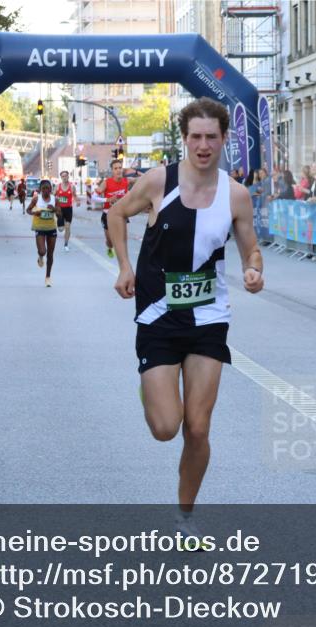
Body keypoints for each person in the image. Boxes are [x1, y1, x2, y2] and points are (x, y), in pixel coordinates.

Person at [106, 97, 264, 541]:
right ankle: (153, 393)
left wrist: (254, 269)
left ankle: (185, 516)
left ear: (224, 139)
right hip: (157, 316)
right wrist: (124, 266)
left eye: (211, 137)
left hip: (209, 318)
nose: (203, 145)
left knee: (198, 427)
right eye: (195, 136)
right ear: (184, 138)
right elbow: (116, 213)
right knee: (165, 428)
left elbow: (250, 246)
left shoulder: (235, 194)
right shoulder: (159, 181)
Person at [26, 179, 59, 287]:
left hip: (51, 228)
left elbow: (60, 213)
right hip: (39, 227)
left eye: (48, 188)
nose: (46, 191)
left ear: (51, 189)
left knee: (50, 253)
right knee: (42, 251)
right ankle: (40, 257)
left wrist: (54, 209)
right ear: (40, 190)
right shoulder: (36, 199)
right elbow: (28, 210)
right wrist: (36, 212)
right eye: (44, 188)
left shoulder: (54, 199)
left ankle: (48, 277)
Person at [97, 159, 130, 257]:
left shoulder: (126, 181)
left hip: (121, 213)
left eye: (120, 168)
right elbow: (94, 197)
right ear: (112, 171)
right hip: (107, 214)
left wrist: (136, 172)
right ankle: (110, 246)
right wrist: (107, 200)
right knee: (110, 241)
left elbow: (144, 179)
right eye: (115, 168)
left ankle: (123, 257)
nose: (118, 170)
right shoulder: (106, 183)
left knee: (123, 238)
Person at [54, 170, 74, 252]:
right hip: (60, 209)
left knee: (68, 227)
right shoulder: (57, 187)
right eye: (63, 176)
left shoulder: (72, 187)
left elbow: (75, 196)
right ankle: (60, 224)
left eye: (66, 176)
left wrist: (78, 201)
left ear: (68, 176)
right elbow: (53, 196)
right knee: (61, 229)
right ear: (61, 177)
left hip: (69, 209)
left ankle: (66, 244)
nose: (64, 177)